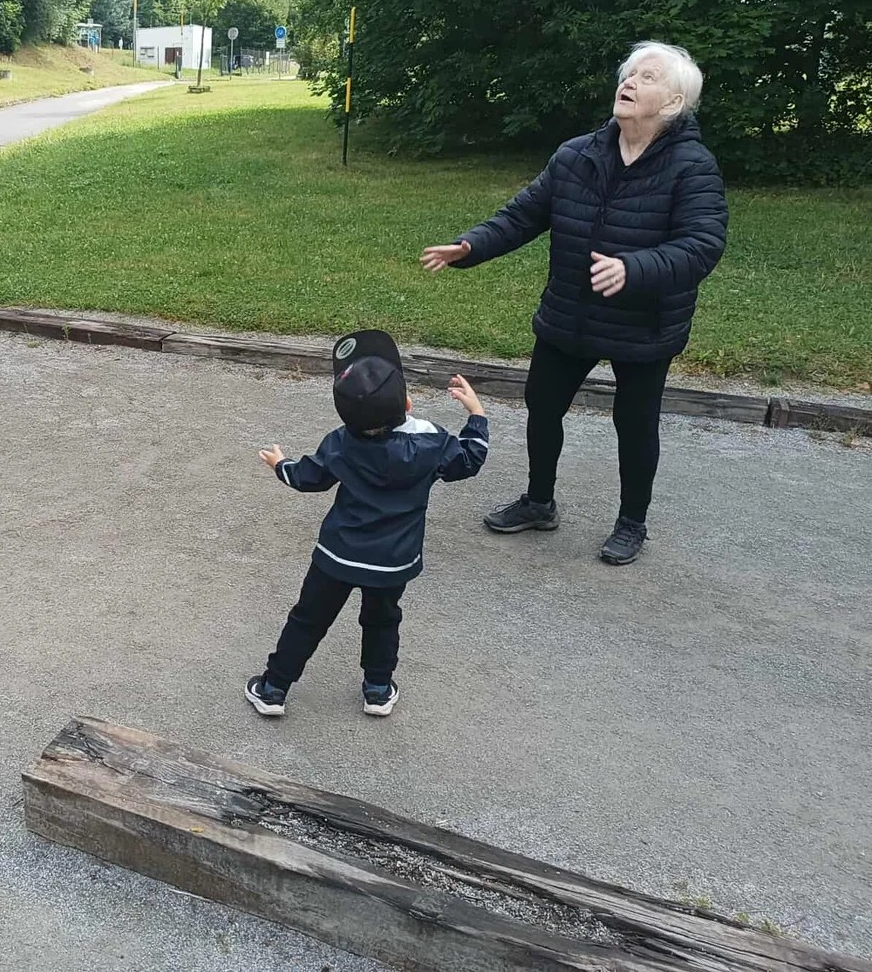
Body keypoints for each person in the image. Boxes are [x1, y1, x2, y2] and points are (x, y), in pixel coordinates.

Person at [420, 41, 727, 565]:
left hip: (645, 322)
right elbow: (522, 216)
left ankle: (632, 522)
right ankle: (539, 503)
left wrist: (634, 269)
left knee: (635, 424)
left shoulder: (692, 166)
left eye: (647, 77)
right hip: (572, 310)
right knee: (542, 405)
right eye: (629, 73)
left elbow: (702, 245)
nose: (629, 82)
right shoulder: (577, 155)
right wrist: (471, 246)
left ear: (674, 103)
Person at [245, 330, 489, 718]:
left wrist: (281, 465)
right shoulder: (431, 444)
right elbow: (470, 458)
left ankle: (273, 689)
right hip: (393, 561)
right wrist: (476, 415)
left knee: (308, 620)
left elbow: (308, 477)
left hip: (337, 556)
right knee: (382, 621)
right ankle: (377, 690)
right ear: (407, 403)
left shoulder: (342, 443)